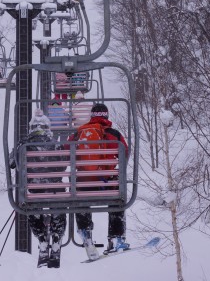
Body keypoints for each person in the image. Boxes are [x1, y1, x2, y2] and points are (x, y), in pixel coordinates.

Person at [68, 103, 129, 260]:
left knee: (79, 191)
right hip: (107, 186)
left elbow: (66, 152)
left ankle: (86, 234)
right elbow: (125, 153)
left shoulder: (78, 134)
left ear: (92, 115)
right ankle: (116, 238)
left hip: (84, 185)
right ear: (106, 116)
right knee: (118, 194)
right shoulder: (114, 134)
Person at [9, 110, 67, 268]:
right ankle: (56, 239)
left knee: (32, 209)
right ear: (48, 127)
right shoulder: (55, 143)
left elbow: (11, 163)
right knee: (59, 207)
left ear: (31, 127)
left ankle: (42, 239)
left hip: (34, 191)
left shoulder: (23, 144)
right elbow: (64, 163)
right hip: (55, 191)